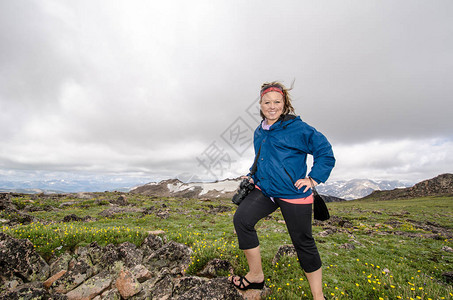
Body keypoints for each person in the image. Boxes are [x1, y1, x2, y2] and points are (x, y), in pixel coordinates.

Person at [229, 81, 335, 300]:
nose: (272, 106)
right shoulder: (260, 130)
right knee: (242, 220)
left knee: (303, 243)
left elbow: (324, 151)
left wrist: (313, 178)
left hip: (293, 193)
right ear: (260, 104)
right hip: (267, 190)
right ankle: (256, 276)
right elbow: (262, 158)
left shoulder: (298, 128)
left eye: (277, 102)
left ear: (284, 103)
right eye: (267, 102)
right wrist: (252, 174)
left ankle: (318, 296)